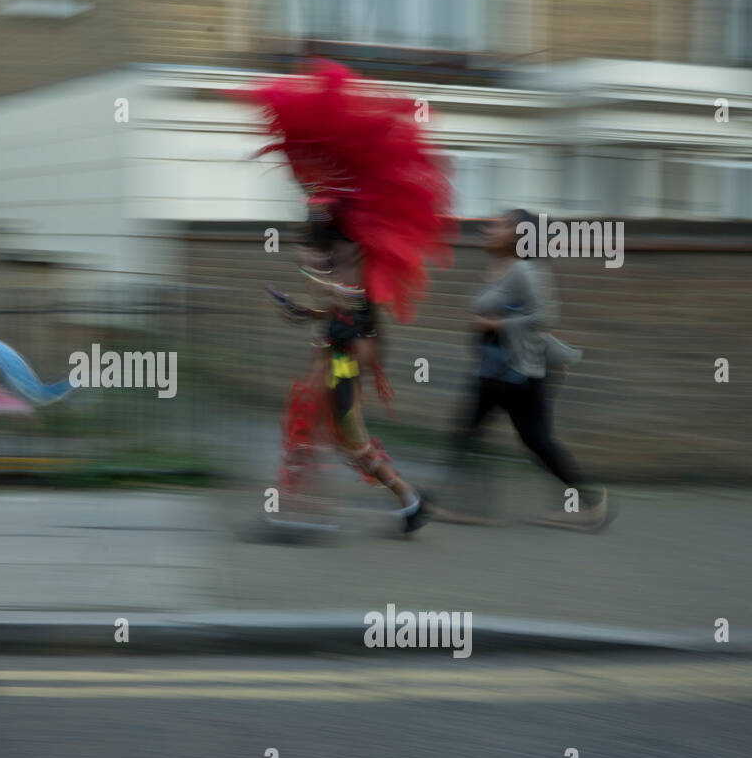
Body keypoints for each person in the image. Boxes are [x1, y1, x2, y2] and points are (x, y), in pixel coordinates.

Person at [240, 59, 456, 534]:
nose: (297, 174)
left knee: (322, 420)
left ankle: (308, 512)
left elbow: (352, 287)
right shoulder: (330, 211)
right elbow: (341, 288)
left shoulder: (333, 215)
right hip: (341, 336)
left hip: (347, 342)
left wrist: (329, 302)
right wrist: (308, 307)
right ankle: (407, 499)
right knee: (337, 430)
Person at [449, 209, 608, 530]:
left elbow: (546, 316)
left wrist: (496, 323)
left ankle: (471, 507)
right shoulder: (508, 269)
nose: (493, 226)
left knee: (473, 433)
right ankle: (588, 505)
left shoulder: (523, 270)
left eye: (504, 224)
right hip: (505, 369)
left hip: (513, 370)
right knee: (531, 439)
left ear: (520, 236)